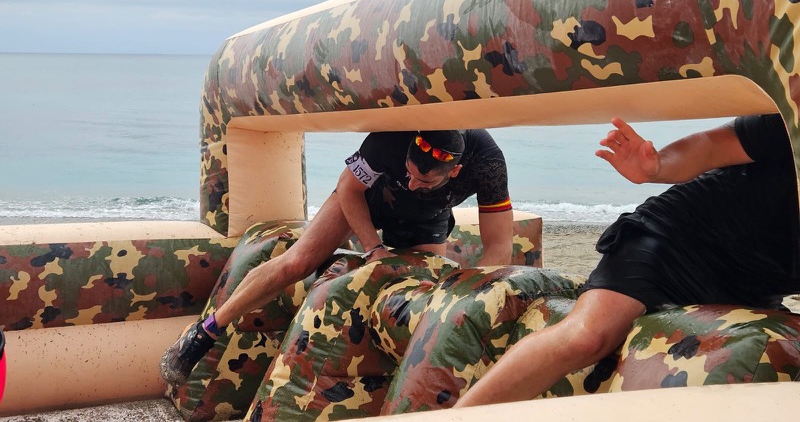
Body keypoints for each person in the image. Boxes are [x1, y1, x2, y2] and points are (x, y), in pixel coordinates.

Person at [455, 114, 800, 408]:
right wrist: (658, 165)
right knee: (587, 337)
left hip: (756, 283)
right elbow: (712, 146)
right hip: (678, 241)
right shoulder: (791, 115)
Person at [161, 129, 514, 386]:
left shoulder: (488, 163)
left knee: (424, 295)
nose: (410, 184)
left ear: (454, 171)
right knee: (298, 262)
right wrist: (373, 248)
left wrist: (471, 302)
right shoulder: (391, 139)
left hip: (428, 219)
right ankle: (205, 331)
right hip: (366, 198)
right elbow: (349, 188)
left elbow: (499, 247)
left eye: (422, 180)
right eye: (408, 172)